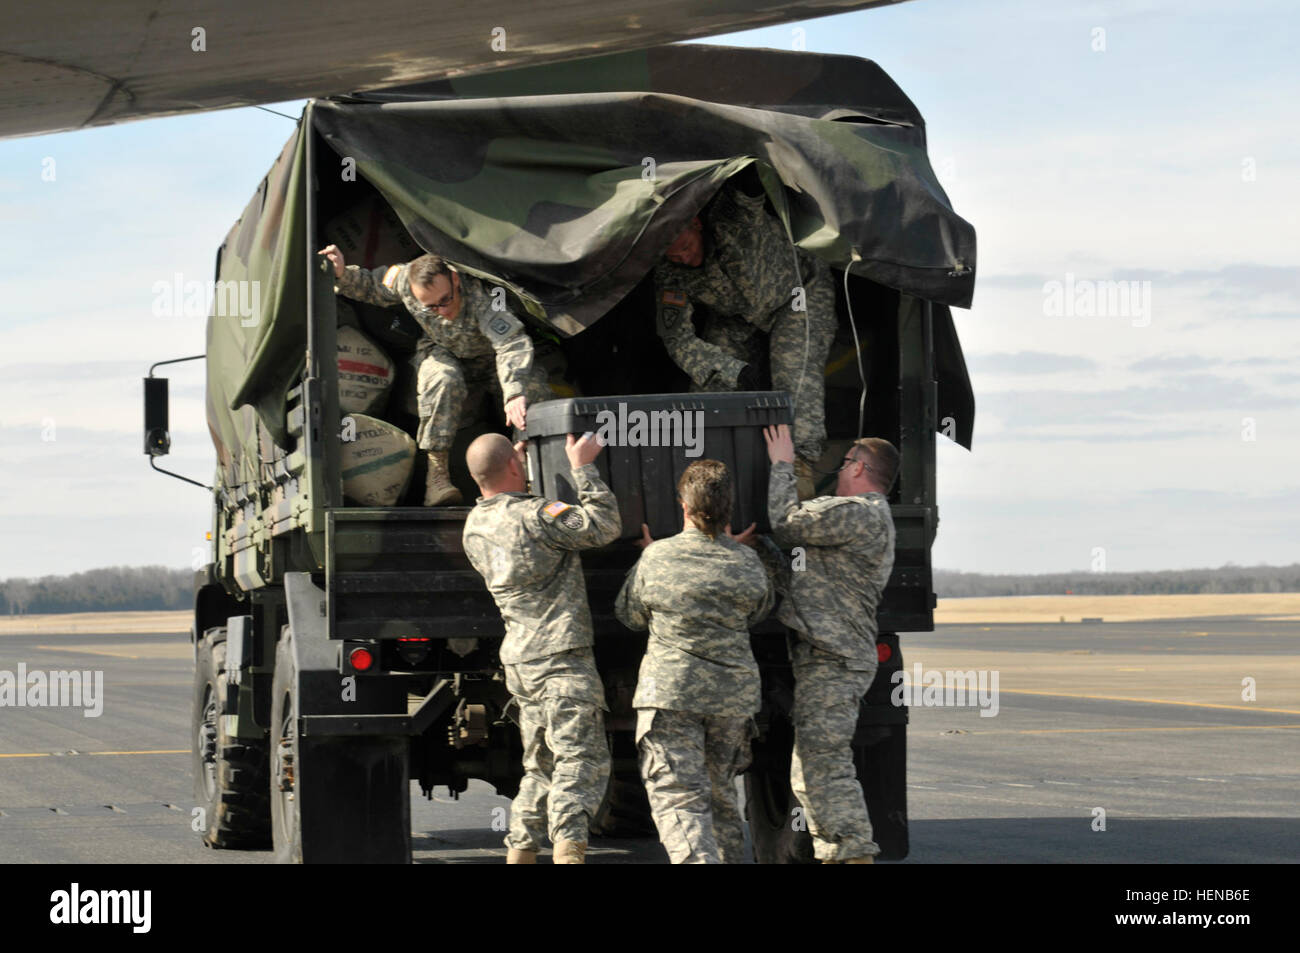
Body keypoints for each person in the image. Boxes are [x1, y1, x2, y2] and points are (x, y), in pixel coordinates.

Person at [461, 430, 621, 864]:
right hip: (561, 658)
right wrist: (582, 467)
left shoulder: (474, 526)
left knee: (540, 765)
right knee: (579, 760)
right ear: (514, 466)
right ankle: (569, 853)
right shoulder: (540, 514)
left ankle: (522, 851)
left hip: (521, 660)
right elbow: (604, 526)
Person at [614, 460, 774, 863]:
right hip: (732, 698)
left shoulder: (657, 558)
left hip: (672, 693)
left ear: (683, 506)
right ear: (728, 509)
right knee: (721, 793)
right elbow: (759, 611)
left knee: (679, 797)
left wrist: (652, 557)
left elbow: (629, 615)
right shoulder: (747, 563)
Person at [319, 245, 549, 506]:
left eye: (445, 300)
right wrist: (341, 273)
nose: (441, 310)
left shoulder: (482, 296)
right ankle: (436, 477)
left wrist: (514, 392)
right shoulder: (405, 281)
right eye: (430, 307)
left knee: (531, 389)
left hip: (491, 359)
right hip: (442, 350)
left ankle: (533, 470)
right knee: (441, 379)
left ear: (453, 279)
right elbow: (374, 286)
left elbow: (510, 343)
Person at [763, 422, 898, 864]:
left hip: (834, 660)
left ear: (859, 468)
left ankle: (853, 852)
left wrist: (782, 464)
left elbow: (786, 524)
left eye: (843, 464)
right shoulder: (862, 515)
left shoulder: (857, 512)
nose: (837, 472)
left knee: (824, 768)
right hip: (829, 657)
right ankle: (839, 852)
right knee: (810, 772)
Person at [653, 172, 838, 496]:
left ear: (696, 224)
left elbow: (750, 180)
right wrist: (732, 370)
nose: (682, 257)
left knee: (794, 377)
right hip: (738, 315)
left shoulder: (731, 217)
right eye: (672, 254)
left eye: (684, 247)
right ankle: (706, 478)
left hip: (797, 295)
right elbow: (677, 338)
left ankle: (799, 473)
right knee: (708, 386)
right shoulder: (670, 271)